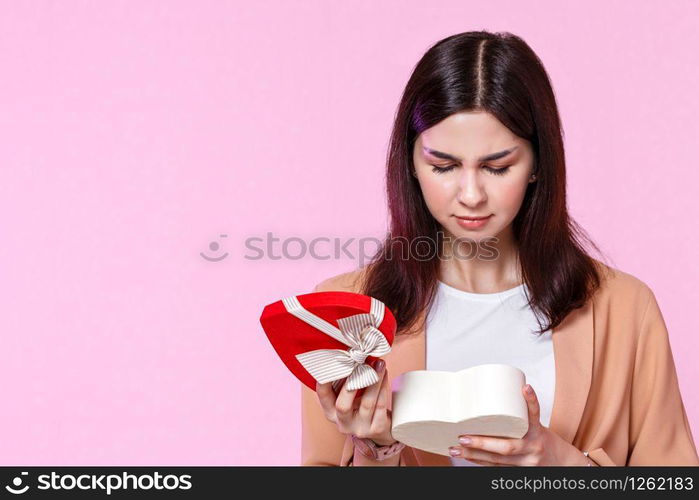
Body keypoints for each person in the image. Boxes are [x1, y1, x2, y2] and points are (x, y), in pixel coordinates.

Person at [300, 30, 699, 466]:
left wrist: (562, 463)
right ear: (410, 163)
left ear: (537, 165)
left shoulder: (624, 309)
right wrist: (374, 450)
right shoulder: (344, 315)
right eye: (444, 165)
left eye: (497, 167)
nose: (470, 194)